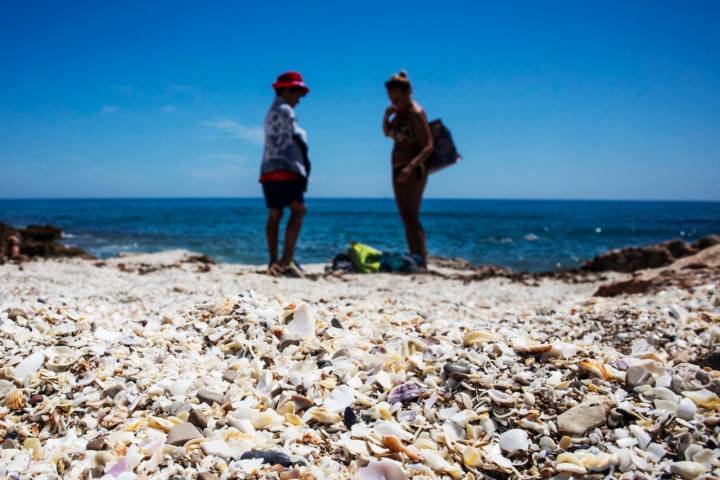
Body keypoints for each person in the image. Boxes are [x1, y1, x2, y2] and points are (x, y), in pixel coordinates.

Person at [260, 71, 311, 277]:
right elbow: (297, 137)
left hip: (268, 169)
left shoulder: (269, 112)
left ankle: (273, 260)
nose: (299, 99)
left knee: (275, 213)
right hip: (287, 167)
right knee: (298, 210)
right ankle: (286, 260)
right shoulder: (286, 110)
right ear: (288, 90)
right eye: (297, 93)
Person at [383, 70, 434, 269]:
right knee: (405, 216)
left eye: (397, 97)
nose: (394, 101)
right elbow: (388, 133)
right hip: (397, 167)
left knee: (412, 216)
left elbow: (428, 145)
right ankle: (415, 257)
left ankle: (421, 260)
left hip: (412, 170)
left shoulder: (415, 112)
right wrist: (386, 116)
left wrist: (410, 167)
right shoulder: (399, 113)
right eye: (391, 98)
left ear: (407, 92)